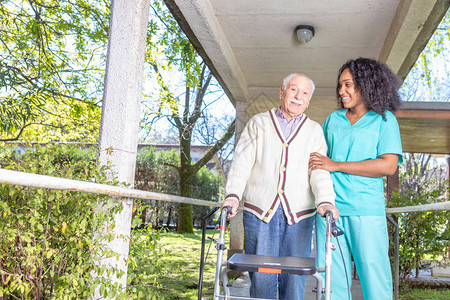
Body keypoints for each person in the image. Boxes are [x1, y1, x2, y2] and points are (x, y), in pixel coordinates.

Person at [221, 73, 339, 299]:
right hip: (259, 213)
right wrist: (233, 195)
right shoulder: (258, 123)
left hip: (299, 217)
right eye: (293, 90)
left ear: (309, 100)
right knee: (261, 279)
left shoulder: (314, 131)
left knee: (294, 283)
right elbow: (241, 164)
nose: (298, 96)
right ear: (282, 92)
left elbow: (319, 171)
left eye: (305, 93)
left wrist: (326, 201)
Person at [309, 57, 403, 300]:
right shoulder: (333, 120)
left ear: (366, 84)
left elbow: (388, 165)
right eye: (340, 85)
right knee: (332, 282)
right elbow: (319, 163)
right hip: (330, 211)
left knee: (375, 281)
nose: (342, 91)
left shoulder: (384, 120)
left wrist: (336, 165)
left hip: (366, 210)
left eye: (348, 84)